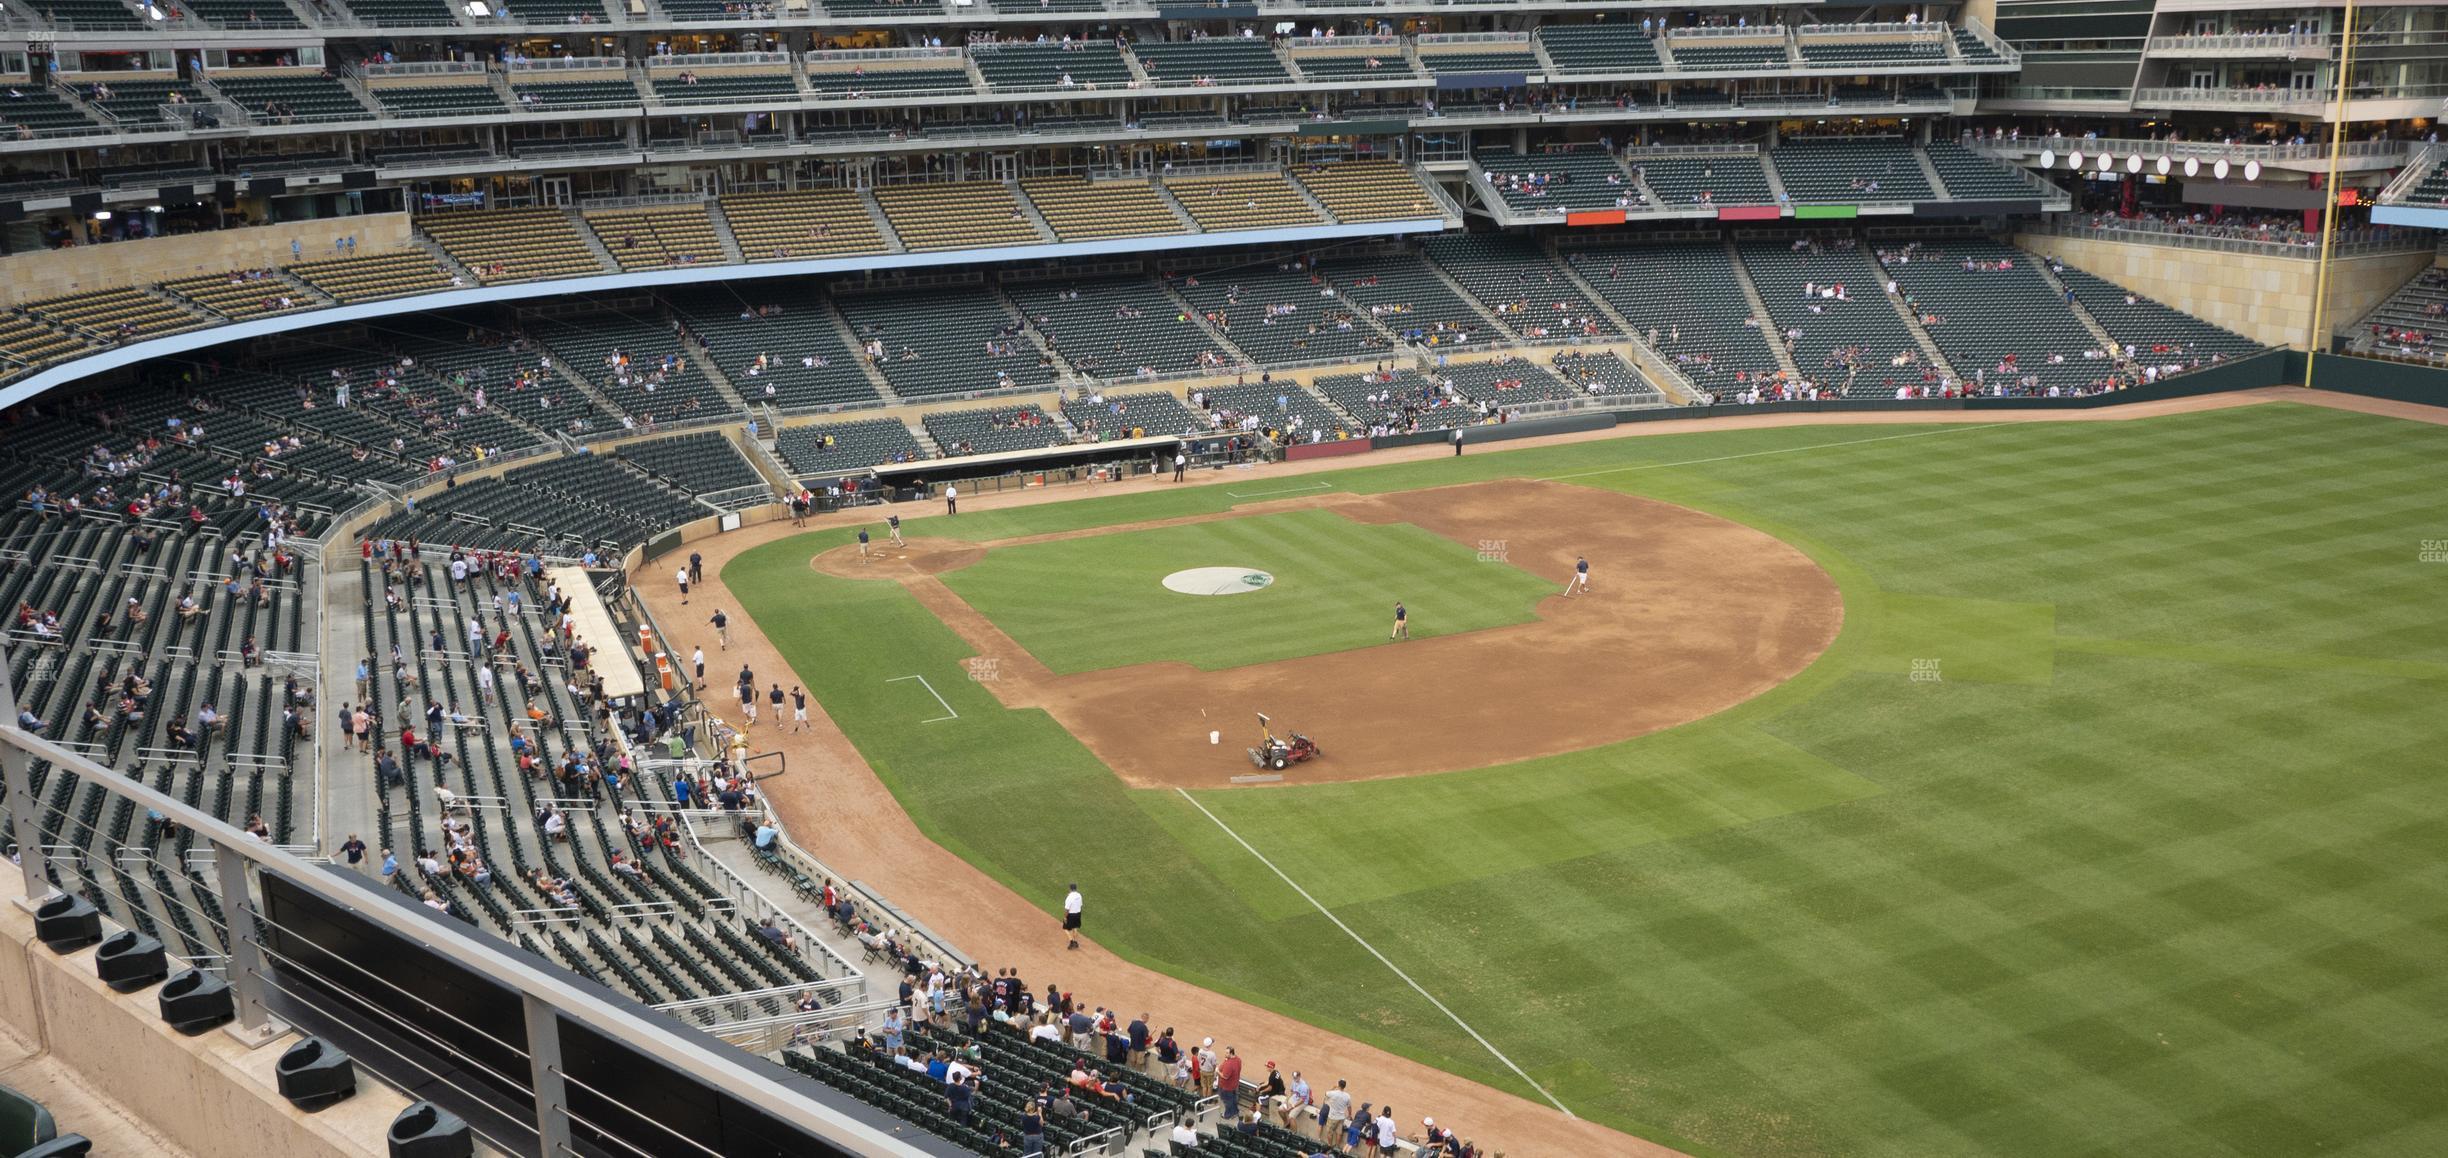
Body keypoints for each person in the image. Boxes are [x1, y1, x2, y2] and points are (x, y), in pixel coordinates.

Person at [1062, 882, 1082, 950]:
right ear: (1076, 888)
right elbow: (1080, 905)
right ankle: (1075, 942)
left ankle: (1071, 942)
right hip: (1078, 913)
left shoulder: (1069, 897)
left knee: (1065, 928)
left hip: (1071, 914)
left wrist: (1065, 917)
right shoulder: (1079, 895)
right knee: (1075, 927)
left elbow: (1067, 909)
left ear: (1070, 889)